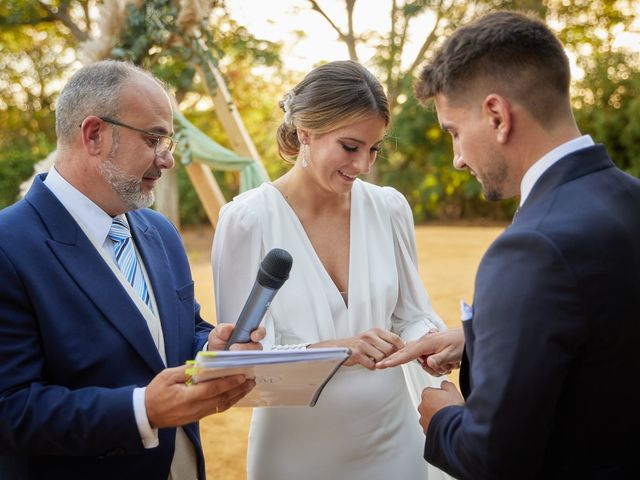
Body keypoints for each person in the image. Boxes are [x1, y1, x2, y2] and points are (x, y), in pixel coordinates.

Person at [377, 10, 640, 479]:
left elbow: (493, 456)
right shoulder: (629, 199)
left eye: (455, 132)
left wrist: (443, 418)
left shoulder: (531, 248)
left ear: (497, 115)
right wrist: (479, 340)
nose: (458, 159)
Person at [0, 60, 264, 480]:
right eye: (154, 138)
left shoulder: (159, 231)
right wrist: (141, 410)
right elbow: (9, 410)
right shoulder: (8, 245)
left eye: (168, 142)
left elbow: (179, 333)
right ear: (94, 135)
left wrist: (211, 348)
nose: (167, 160)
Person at [211, 60, 453, 480]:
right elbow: (243, 363)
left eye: (374, 148)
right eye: (349, 146)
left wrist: (429, 343)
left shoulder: (390, 208)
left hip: (393, 440)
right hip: (295, 450)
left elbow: (412, 314)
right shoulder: (247, 219)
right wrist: (339, 350)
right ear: (305, 132)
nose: (363, 164)